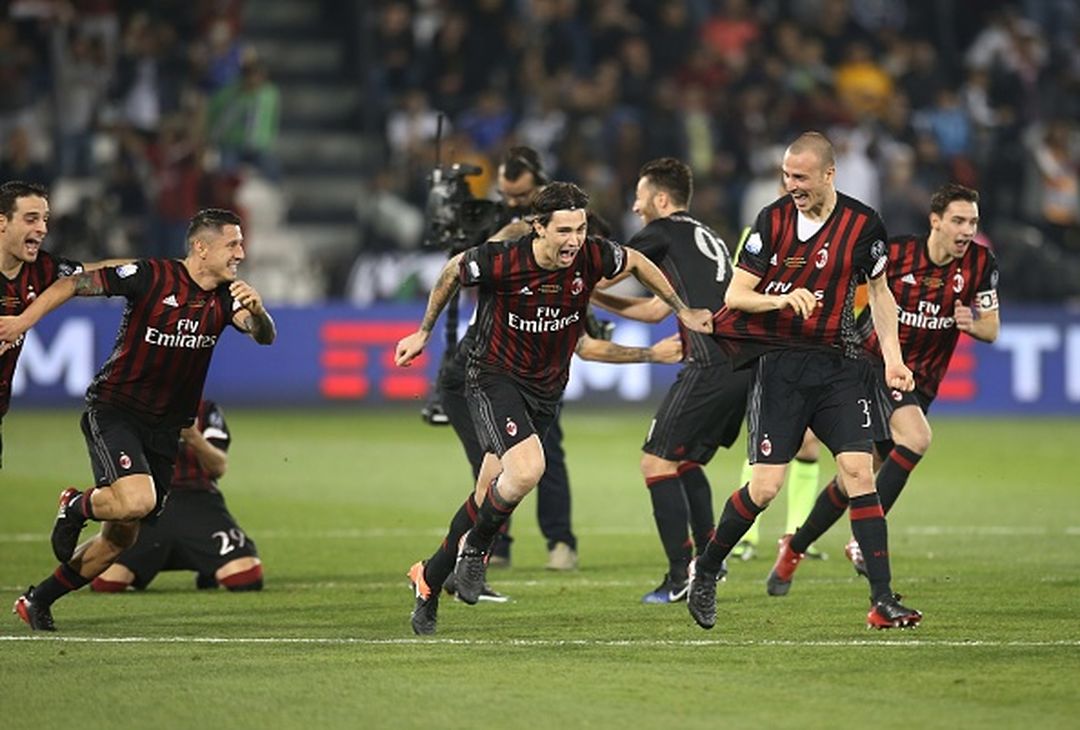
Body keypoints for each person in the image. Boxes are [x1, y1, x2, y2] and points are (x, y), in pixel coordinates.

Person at [396, 182, 712, 635]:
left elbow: (638, 262)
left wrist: (682, 309)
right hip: (492, 378)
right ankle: (477, 548)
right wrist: (424, 333)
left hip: (546, 390)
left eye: (581, 228)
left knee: (490, 490)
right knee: (527, 470)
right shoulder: (503, 259)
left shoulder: (590, 256)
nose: (574, 240)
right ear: (538, 227)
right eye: (564, 230)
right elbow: (450, 271)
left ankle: (427, 579)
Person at [686, 131, 922, 631]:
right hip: (783, 367)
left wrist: (893, 360)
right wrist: (780, 298)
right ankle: (705, 569)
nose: (791, 185)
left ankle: (882, 601)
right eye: (786, 176)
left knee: (859, 473)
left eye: (801, 177)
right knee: (766, 488)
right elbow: (737, 295)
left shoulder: (863, 224)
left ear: (828, 175)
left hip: (841, 365)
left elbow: (880, 296)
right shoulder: (771, 221)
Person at [4, 208, 275, 631]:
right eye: (232, 244)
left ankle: (39, 599)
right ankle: (75, 504)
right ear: (201, 248)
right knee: (137, 500)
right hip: (116, 409)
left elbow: (262, 335)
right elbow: (74, 283)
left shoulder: (229, 296)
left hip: (166, 428)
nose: (241, 252)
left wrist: (259, 313)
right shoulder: (150, 276)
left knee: (120, 539)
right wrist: (23, 321)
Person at [766, 182, 999, 588]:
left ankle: (795, 546)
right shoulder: (897, 253)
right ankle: (861, 543)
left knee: (855, 478)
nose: (966, 230)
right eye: (958, 220)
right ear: (936, 221)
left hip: (921, 382)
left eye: (973, 222)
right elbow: (847, 283)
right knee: (917, 438)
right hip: (872, 364)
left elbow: (992, 328)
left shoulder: (981, 264)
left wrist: (973, 325)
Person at [590, 157, 749, 604]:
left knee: (654, 463)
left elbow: (611, 266)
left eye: (640, 198)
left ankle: (681, 576)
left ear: (661, 199)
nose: (636, 207)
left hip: (709, 363)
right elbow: (656, 309)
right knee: (685, 463)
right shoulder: (705, 237)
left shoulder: (663, 231)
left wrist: (576, 276)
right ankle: (709, 567)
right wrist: (598, 299)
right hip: (740, 365)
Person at [438, 146, 579, 572]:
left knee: (544, 453)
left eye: (520, 194)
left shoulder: (569, 226)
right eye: (507, 193)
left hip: (543, 357)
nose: (512, 202)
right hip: (495, 355)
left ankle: (560, 540)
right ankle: (490, 545)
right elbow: (466, 273)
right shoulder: (497, 225)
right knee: (492, 458)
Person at [0, 180, 125, 468]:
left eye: (44, 220)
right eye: (31, 219)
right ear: (2, 222)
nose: (42, 229)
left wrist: (167, 271)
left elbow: (101, 272)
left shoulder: (44, 270)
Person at [90, 398, 264, 592]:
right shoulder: (131, 410)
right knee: (106, 584)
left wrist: (193, 437)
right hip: (149, 506)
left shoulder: (204, 410)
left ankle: (209, 566)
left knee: (246, 579)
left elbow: (218, 467)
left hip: (198, 503)